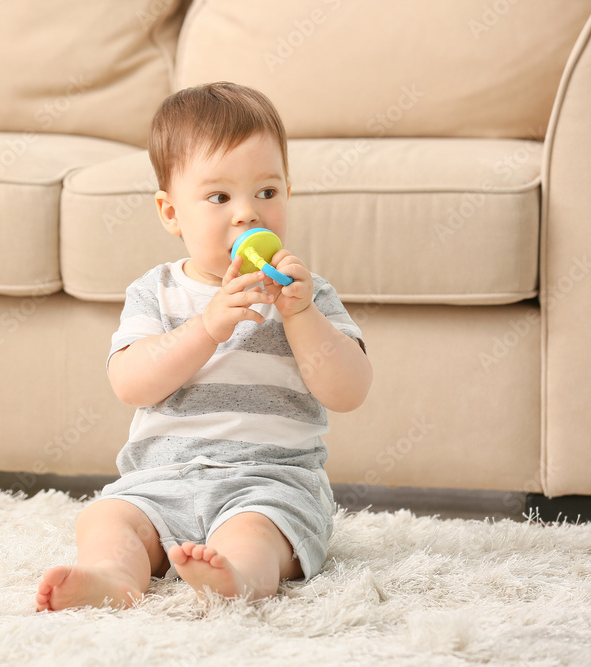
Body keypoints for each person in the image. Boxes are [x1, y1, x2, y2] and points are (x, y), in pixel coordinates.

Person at [36, 81, 372, 611]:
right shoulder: (156, 291)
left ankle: (237, 577)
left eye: (267, 192)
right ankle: (109, 577)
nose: (247, 214)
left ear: (288, 192)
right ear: (171, 213)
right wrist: (206, 327)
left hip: (269, 482)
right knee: (105, 518)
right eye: (220, 197)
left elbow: (350, 390)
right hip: (159, 481)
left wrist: (302, 316)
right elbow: (130, 383)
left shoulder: (308, 293)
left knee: (255, 532)